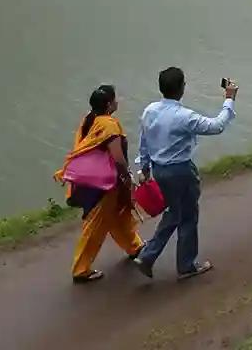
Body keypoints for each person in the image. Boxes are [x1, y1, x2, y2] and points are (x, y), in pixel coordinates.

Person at [133, 66, 236, 280]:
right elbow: (216, 126)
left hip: (159, 170)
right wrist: (229, 99)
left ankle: (147, 256)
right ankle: (186, 265)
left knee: (174, 213)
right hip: (181, 171)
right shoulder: (184, 116)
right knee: (188, 215)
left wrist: (144, 167)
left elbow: (144, 140)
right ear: (182, 88)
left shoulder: (150, 110)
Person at [55, 84, 144, 284]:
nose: (117, 102)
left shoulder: (88, 119)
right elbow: (118, 158)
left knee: (117, 215)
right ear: (109, 104)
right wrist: (126, 177)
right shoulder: (109, 126)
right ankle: (81, 269)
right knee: (95, 225)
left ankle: (134, 247)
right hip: (104, 184)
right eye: (115, 99)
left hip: (90, 179)